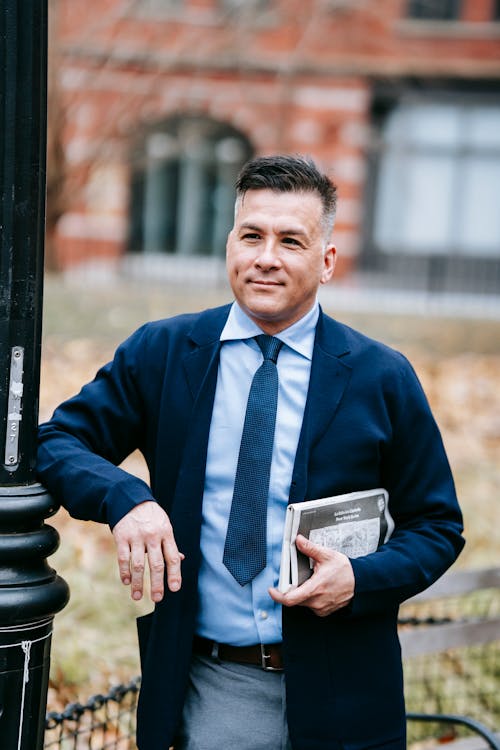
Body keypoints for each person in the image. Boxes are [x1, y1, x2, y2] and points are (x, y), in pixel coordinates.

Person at [37, 154, 464, 750]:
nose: (266, 257)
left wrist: (360, 580)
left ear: (328, 260)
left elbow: (438, 525)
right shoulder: (164, 352)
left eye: (291, 240)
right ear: (230, 245)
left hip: (348, 692)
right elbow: (57, 441)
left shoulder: (381, 377)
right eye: (252, 235)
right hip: (213, 688)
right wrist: (127, 498)